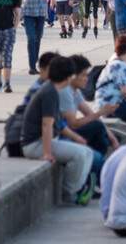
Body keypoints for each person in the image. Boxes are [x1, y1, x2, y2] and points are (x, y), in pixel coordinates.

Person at [20, 55, 92, 205]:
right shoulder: (50, 93)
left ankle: (75, 189)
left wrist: (77, 138)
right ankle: (69, 192)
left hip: (41, 141)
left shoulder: (51, 89)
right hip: (34, 145)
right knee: (79, 155)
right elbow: (46, 125)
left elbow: (57, 124)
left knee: (87, 152)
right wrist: (47, 153)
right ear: (67, 77)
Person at [18, 0, 53, 73]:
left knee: (38, 39)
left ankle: (35, 62)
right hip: (27, 12)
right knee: (31, 38)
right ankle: (32, 67)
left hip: (40, 12)